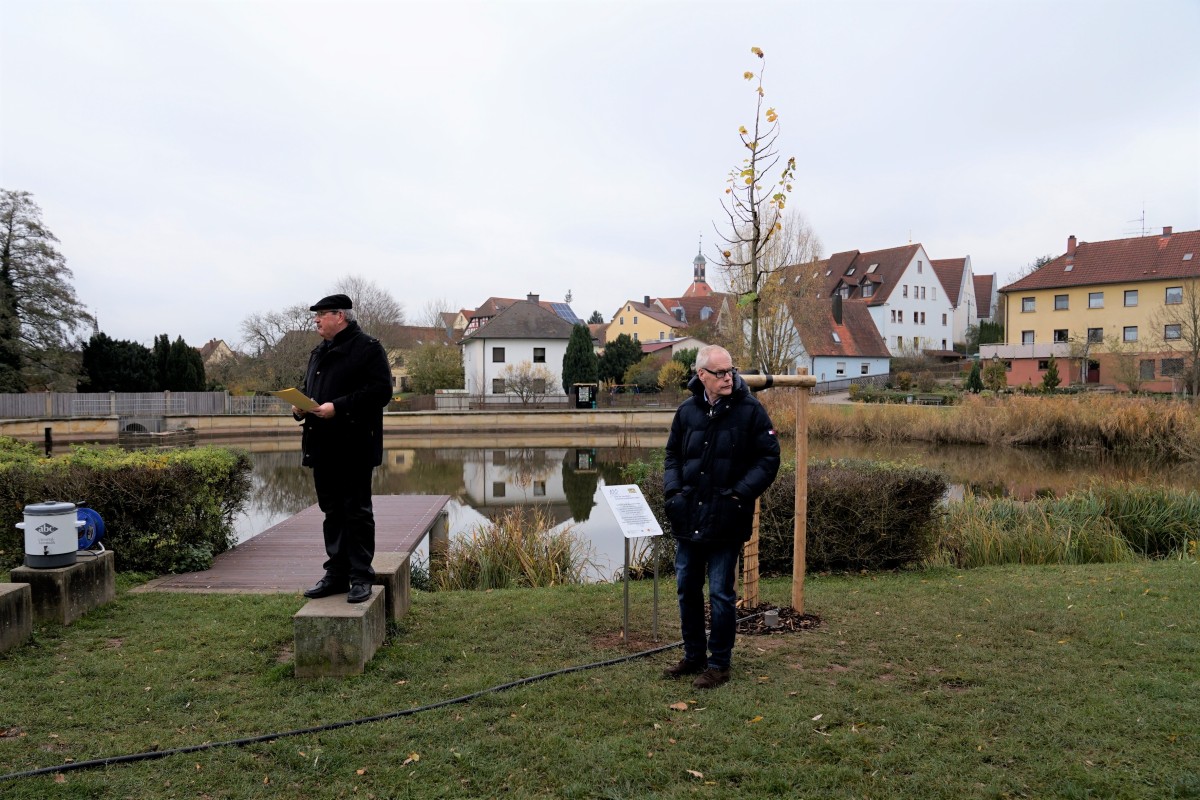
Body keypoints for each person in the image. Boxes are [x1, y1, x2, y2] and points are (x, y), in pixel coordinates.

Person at [661, 344, 780, 689]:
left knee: (721, 594)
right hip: (688, 517)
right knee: (686, 589)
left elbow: (769, 458)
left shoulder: (750, 411)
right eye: (721, 372)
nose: (729, 377)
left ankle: (719, 664)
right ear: (702, 375)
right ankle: (693, 655)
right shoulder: (686, 412)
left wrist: (740, 493)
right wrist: (674, 494)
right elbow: (672, 455)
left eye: (731, 371)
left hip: (727, 519)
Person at [294, 293, 393, 603]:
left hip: (354, 447)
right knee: (332, 512)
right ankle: (336, 575)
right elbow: (311, 391)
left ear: (340, 316)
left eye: (321, 315)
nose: (316, 321)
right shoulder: (318, 352)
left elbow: (380, 392)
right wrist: (300, 408)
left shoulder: (368, 349)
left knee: (357, 512)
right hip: (322, 446)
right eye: (316, 316)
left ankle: (361, 576)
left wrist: (337, 407)